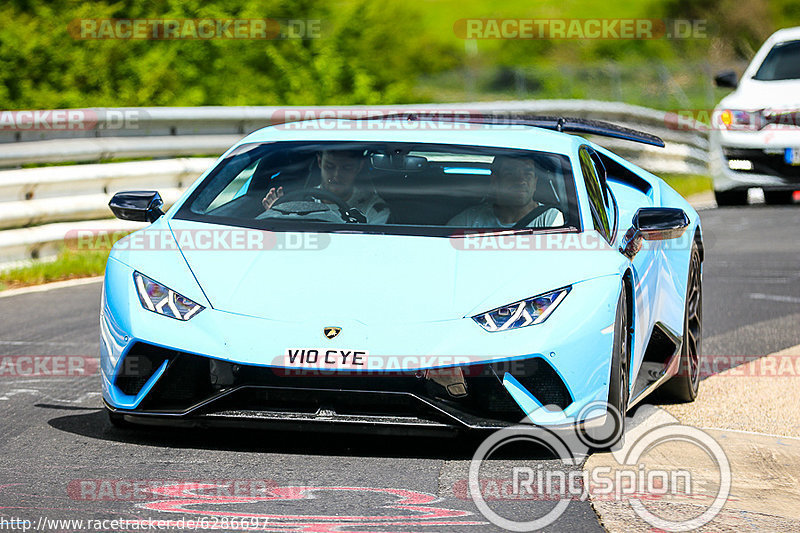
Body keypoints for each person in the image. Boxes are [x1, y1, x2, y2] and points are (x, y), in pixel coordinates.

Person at [262, 149, 390, 224]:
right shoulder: (295, 201)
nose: (336, 175)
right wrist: (274, 215)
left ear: (359, 167)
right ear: (319, 162)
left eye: (346, 168)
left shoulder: (373, 209)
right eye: (330, 167)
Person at [447, 155, 563, 228]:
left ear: (535, 183)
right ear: (495, 181)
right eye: (510, 174)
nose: (520, 180)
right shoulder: (469, 220)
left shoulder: (550, 219)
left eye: (527, 174)